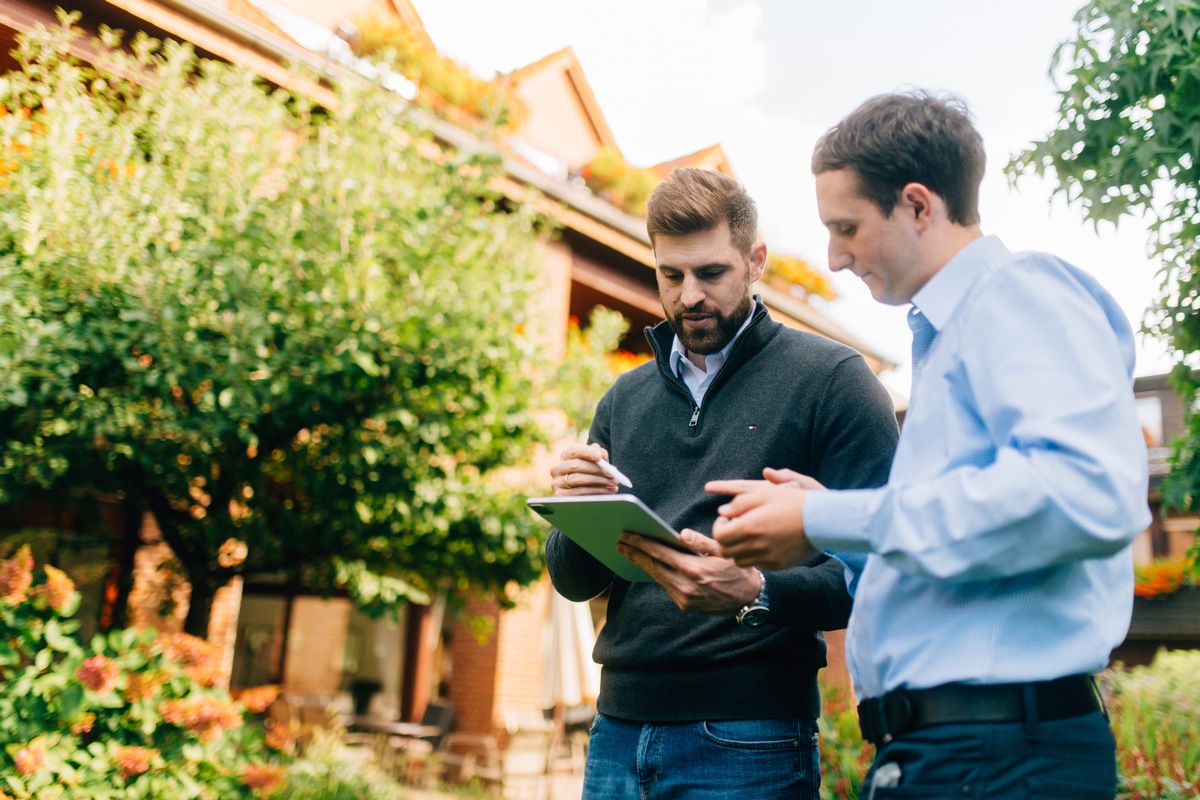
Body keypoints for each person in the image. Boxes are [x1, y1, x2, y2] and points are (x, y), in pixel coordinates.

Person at [709, 92, 1150, 799]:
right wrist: (835, 521)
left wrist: (827, 521)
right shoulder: (953, 332)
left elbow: (1085, 492)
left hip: (998, 754)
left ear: (918, 205)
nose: (834, 255)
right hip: (962, 752)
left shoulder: (1016, 295)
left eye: (846, 226)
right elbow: (967, 546)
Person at [546, 167, 899, 800]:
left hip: (751, 735)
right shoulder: (624, 398)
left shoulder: (833, 381)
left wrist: (757, 591)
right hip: (617, 731)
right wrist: (579, 507)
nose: (688, 298)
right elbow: (574, 583)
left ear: (755, 260)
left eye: (711, 274)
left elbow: (881, 567)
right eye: (670, 275)